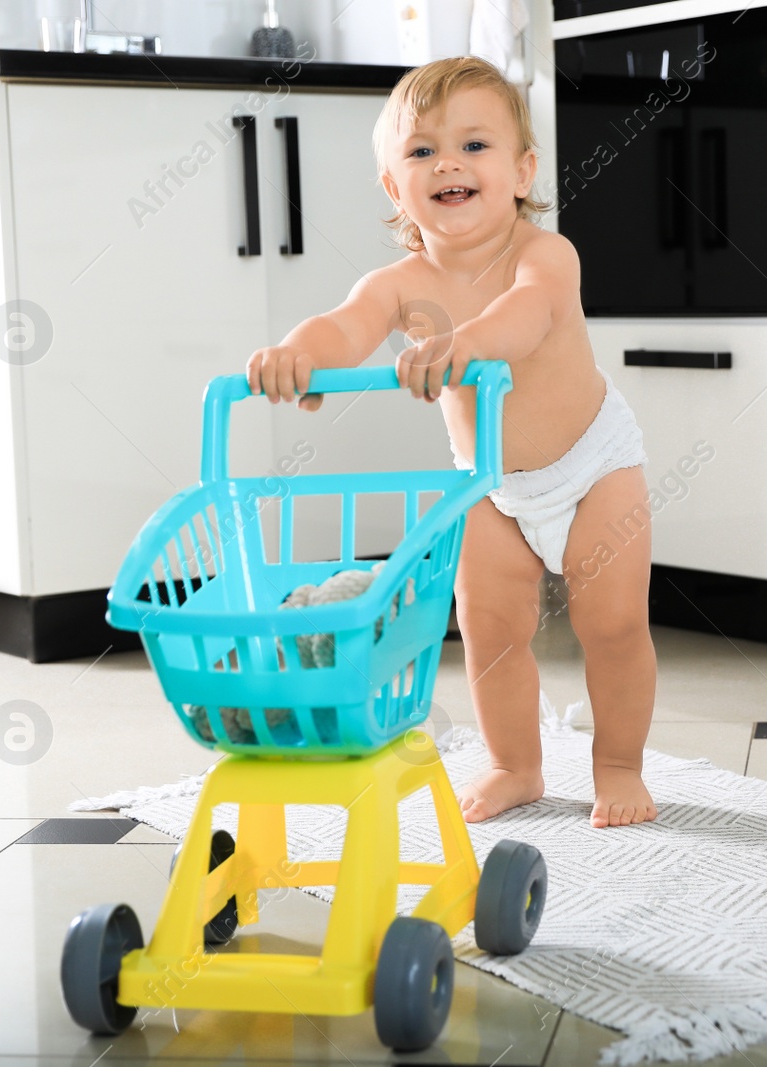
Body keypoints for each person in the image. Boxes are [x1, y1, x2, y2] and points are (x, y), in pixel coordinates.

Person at [245, 57, 658, 828]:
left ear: (522, 168)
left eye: (474, 145)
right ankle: (514, 763)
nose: (448, 164)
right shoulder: (398, 284)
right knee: (489, 627)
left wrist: (465, 342)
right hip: (490, 484)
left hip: (593, 466)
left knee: (613, 626)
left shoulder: (544, 255)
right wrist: (300, 352)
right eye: (421, 151)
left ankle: (618, 763)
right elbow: (345, 326)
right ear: (394, 187)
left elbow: (529, 315)